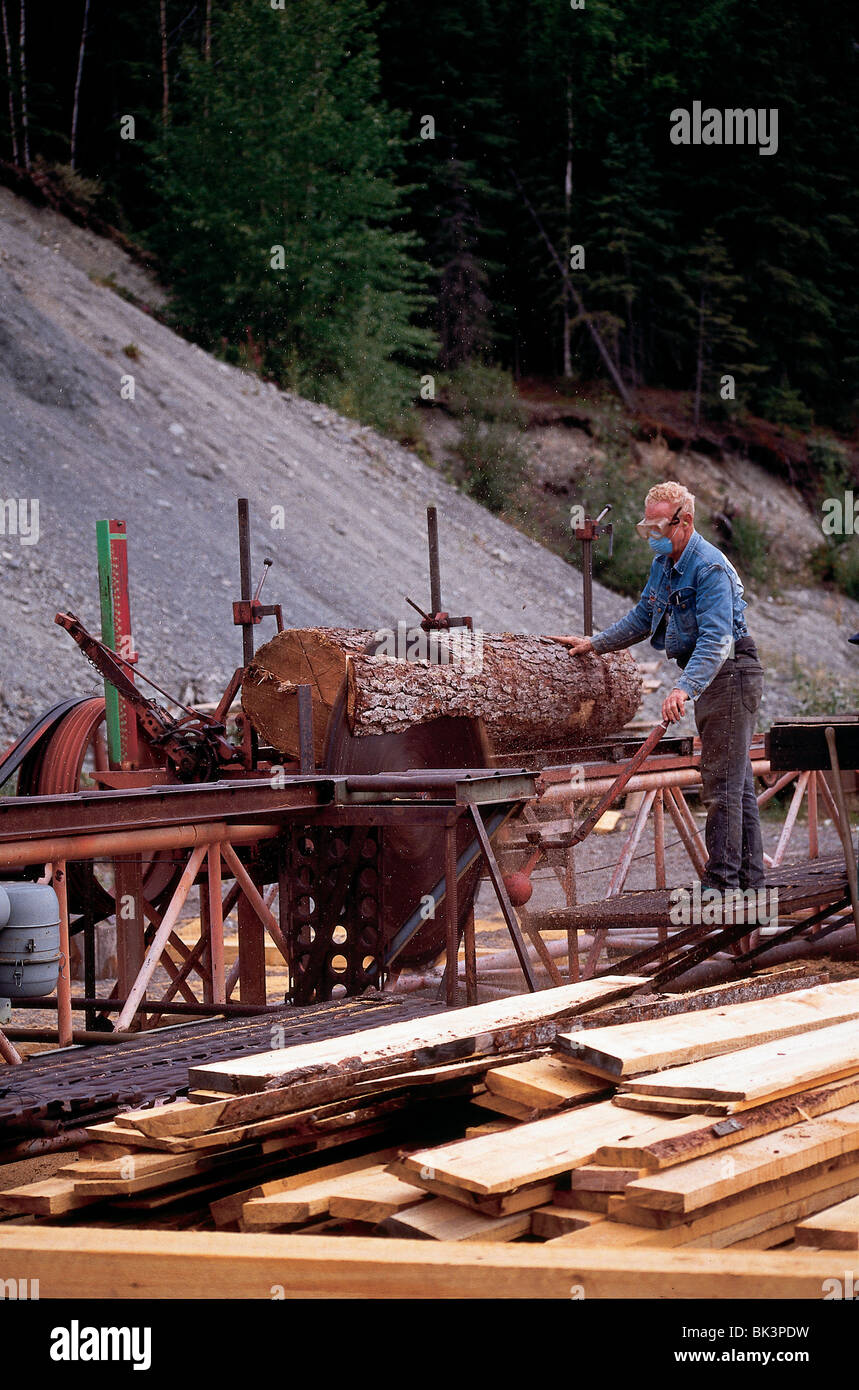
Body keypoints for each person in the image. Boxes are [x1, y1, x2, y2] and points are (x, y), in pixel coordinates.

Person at [551, 480, 765, 894]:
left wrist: (683, 689)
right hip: (715, 673)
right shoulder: (664, 567)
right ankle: (749, 883)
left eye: (657, 528)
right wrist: (595, 644)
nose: (651, 537)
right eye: (645, 528)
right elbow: (641, 618)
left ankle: (722, 885)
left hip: (732, 672)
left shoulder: (709, 568)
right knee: (735, 782)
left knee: (722, 784)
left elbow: (717, 640)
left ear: (683, 522)